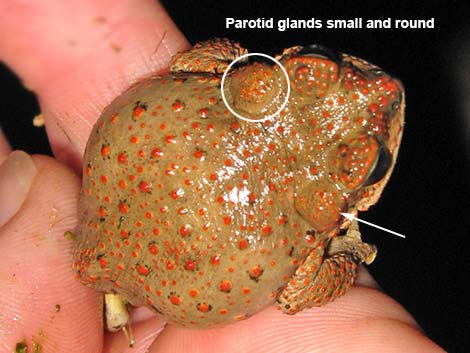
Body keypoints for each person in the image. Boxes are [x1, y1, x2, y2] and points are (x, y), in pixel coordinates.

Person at [0, 1, 445, 352]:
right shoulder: (317, 219)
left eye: (365, 161)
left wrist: (235, 63)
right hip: (172, 271)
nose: (379, 87)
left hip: (120, 171)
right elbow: (293, 298)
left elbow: (189, 62)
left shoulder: (242, 79)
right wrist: (346, 253)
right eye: (317, 67)